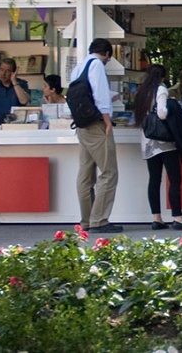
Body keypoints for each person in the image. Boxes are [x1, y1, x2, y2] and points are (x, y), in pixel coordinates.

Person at [70, 38, 122, 233]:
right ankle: (99, 220)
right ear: (107, 54)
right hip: (96, 125)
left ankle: (86, 219)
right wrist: (107, 121)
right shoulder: (97, 65)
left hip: (82, 126)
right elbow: (100, 95)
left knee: (85, 174)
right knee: (109, 172)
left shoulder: (79, 67)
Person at [134, 64, 182, 231]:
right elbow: (162, 113)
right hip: (164, 142)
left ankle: (156, 218)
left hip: (147, 142)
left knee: (154, 179)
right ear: (163, 77)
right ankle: (177, 217)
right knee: (174, 178)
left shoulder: (141, 92)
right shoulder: (161, 90)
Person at [0, 58, 30, 126]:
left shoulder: (21, 84)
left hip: (17, 125)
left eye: (7, 71)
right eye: (1, 69)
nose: (3, 73)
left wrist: (14, 81)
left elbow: (24, 101)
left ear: (13, 72)